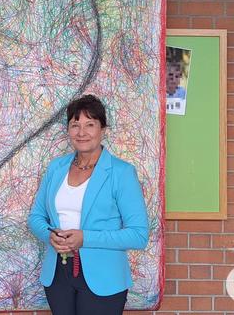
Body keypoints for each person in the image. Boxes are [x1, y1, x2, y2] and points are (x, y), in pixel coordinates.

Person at [27, 94, 149, 315]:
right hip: (58, 275)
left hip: (104, 278)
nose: (81, 132)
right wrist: (50, 235)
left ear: (103, 130)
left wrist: (85, 238)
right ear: (68, 131)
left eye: (90, 124)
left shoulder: (122, 173)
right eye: (75, 125)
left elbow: (138, 235)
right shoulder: (56, 168)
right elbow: (36, 217)